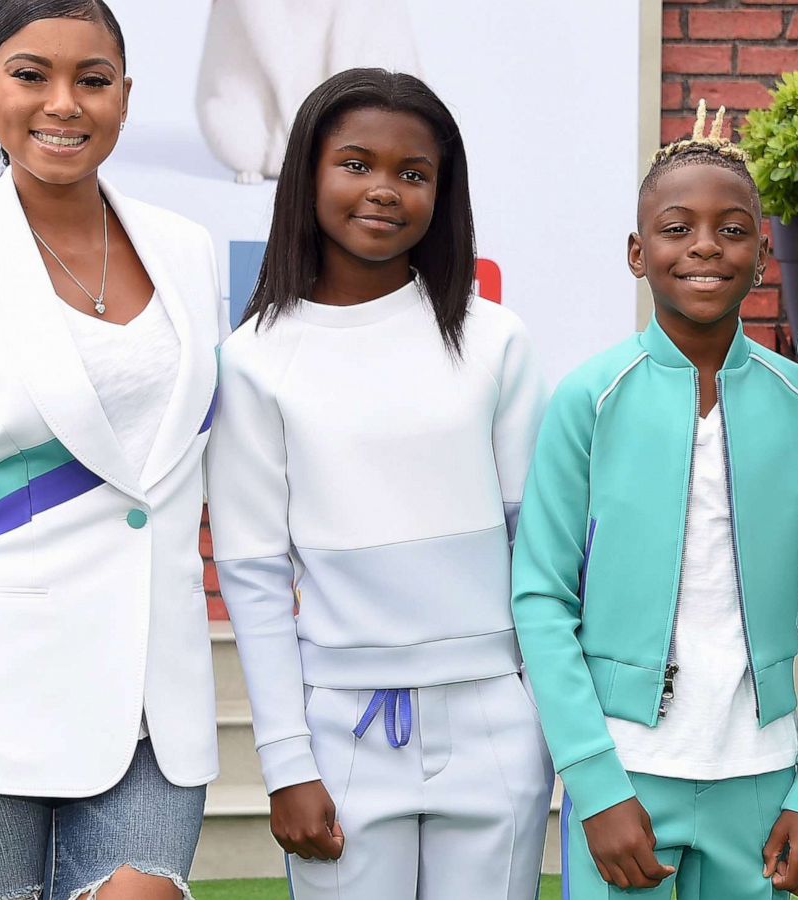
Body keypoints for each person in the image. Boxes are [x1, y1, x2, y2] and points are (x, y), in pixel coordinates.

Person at [0, 1, 223, 897]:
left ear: (124, 98)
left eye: (91, 80)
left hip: (153, 706)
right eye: (31, 75)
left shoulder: (186, 251)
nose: (64, 103)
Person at [206, 68, 552, 900]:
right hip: (341, 733)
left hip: (496, 724)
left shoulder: (494, 340)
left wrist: (548, 728)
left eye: (413, 173)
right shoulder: (255, 358)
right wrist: (286, 763)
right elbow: (252, 577)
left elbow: (536, 554)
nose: (384, 190)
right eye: (356, 164)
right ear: (308, 176)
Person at [511, 103, 798, 900]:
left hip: (764, 777)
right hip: (627, 776)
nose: (705, 246)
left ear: (765, 255)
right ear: (638, 253)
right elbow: (539, 596)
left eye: (732, 229)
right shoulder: (588, 399)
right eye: (677, 228)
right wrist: (594, 783)